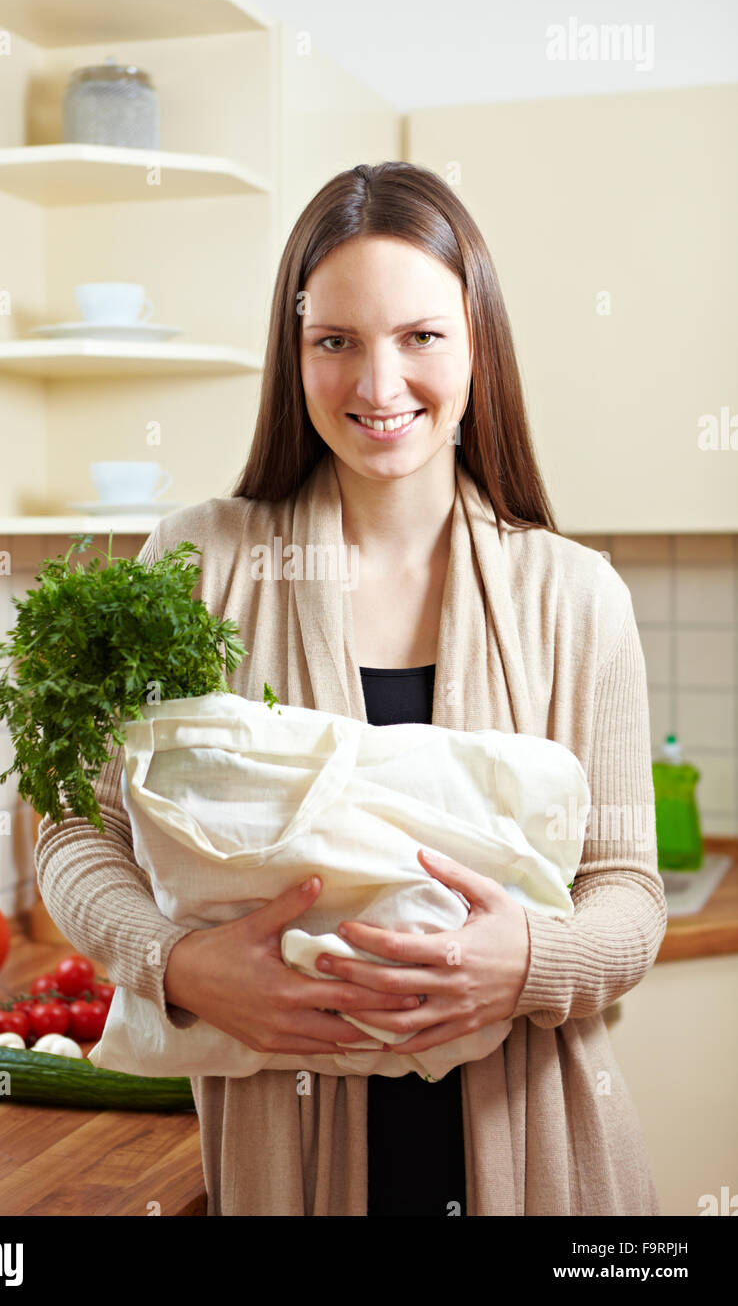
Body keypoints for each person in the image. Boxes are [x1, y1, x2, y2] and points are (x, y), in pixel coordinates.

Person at [35, 161, 667, 1216]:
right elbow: (72, 824)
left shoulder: (574, 596)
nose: (378, 387)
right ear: (295, 356)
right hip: (288, 1156)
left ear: (477, 344)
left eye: (419, 336)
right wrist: (178, 965)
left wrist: (524, 961)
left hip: (540, 1159)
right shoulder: (198, 565)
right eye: (336, 342)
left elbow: (627, 895)